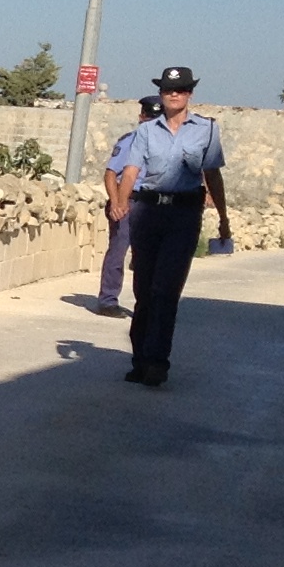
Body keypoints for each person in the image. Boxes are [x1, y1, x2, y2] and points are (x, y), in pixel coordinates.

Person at [119, 67, 231, 388]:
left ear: (189, 94)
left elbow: (212, 174)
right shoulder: (146, 131)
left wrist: (223, 218)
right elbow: (131, 170)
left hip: (183, 213)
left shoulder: (206, 130)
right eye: (168, 90)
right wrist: (121, 203)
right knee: (144, 290)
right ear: (162, 94)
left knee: (166, 290)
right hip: (148, 211)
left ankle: (157, 361)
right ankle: (140, 359)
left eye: (180, 89)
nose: (174, 95)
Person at [94, 95, 160, 317]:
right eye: (149, 118)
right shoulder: (130, 141)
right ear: (141, 117)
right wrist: (116, 202)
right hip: (128, 201)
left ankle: (146, 305)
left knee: (148, 257)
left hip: (151, 204)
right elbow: (111, 173)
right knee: (118, 251)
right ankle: (108, 301)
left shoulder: (164, 144)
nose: (152, 123)